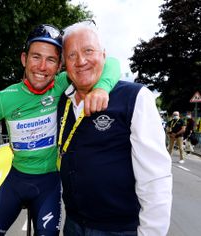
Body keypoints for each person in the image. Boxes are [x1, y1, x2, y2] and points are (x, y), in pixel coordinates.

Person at [0, 24, 120, 236]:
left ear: (60, 66)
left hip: (50, 183)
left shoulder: (63, 83)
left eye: (51, 60)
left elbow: (112, 63)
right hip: (16, 180)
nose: (42, 67)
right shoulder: (4, 98)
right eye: (36, 57)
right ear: (24, 59)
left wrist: (102, 88)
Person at [57, 21, 172, 236]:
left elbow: (155, 179)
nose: (81, 61)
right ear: (65, 64)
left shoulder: (135, 98)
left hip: (119, 230)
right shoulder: (62, 101)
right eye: (71, 55)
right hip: (73, 225)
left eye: (88, 51)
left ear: (104, 55)